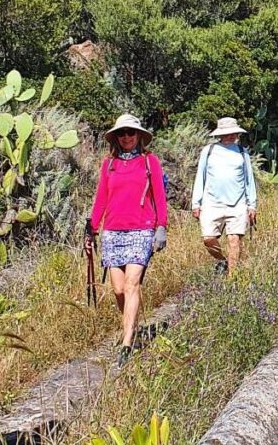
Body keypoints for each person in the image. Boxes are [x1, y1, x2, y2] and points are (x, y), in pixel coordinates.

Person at [88, 114, 167, 367]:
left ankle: (127, 342)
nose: (126, 138)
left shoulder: (149, 161)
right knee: (119, 290)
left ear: (139, 136)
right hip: (112, 231)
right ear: (116, 137)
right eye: (121, 134)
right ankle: (131, 325)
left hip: (141, 230)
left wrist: (161, 226)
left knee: (133, 284)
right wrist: (91, 229)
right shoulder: (108, 164)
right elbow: (101, 198)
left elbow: (159, 195)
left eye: (130, 133)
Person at [192, 117, 257, 278]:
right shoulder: (209, 151)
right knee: (208, 239)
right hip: (211, 202)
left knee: (234, 239)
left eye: (233, 133)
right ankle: (222, 260)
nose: (230, 136)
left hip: (238, 204)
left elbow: (249, 180)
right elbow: (201, 176)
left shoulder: (243, 152)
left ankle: (231, 278)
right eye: (227, 133)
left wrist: (252, 205)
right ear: (220, 134)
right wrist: (196, 203)